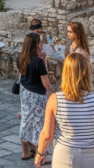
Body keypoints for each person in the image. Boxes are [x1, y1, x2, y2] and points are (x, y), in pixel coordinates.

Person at [34, 53, 94, 168]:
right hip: (93, 158)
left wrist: (40, 153)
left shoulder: (55, 100)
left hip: (65, 156)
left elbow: (47, 134)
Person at [18, 32, 54, 161]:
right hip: (37, 96)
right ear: (36, 45)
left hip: (25, 92)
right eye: (40, 42)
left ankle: (25, 152)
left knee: (26, 120)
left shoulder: (21, 57)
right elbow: (45, 83)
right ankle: (41, 153)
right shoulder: (37, 61)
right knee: (40, 124)